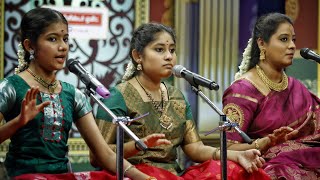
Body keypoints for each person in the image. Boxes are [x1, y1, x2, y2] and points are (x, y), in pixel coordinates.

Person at [90, 22, 270, 180]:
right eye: (159, 50)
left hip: (173, 174)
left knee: (230, 169)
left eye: (172, 50)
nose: (169, 56)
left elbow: (195, 148)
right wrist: (137, 146)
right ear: (138, 56)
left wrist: (233, 156)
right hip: (134, 174)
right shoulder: (118, 96)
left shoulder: (177, 96)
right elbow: (97, 155)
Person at [0, 7, 155, 180]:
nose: (62, 47)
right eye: (52, 39)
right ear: (30, 46)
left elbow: (105, 155)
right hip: (22, 176)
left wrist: (145, 178)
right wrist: (18, 122)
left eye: (65, 39)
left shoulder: (72, 94)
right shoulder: (10, 87)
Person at [222, 12, 320, 179]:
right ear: (262, 43)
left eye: (293, 40)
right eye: (284, 39)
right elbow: (228, 148)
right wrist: (265, 143)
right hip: (268, 166)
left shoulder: (296, 87)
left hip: (309, 157)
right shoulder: (242, 90)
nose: (291, 46)